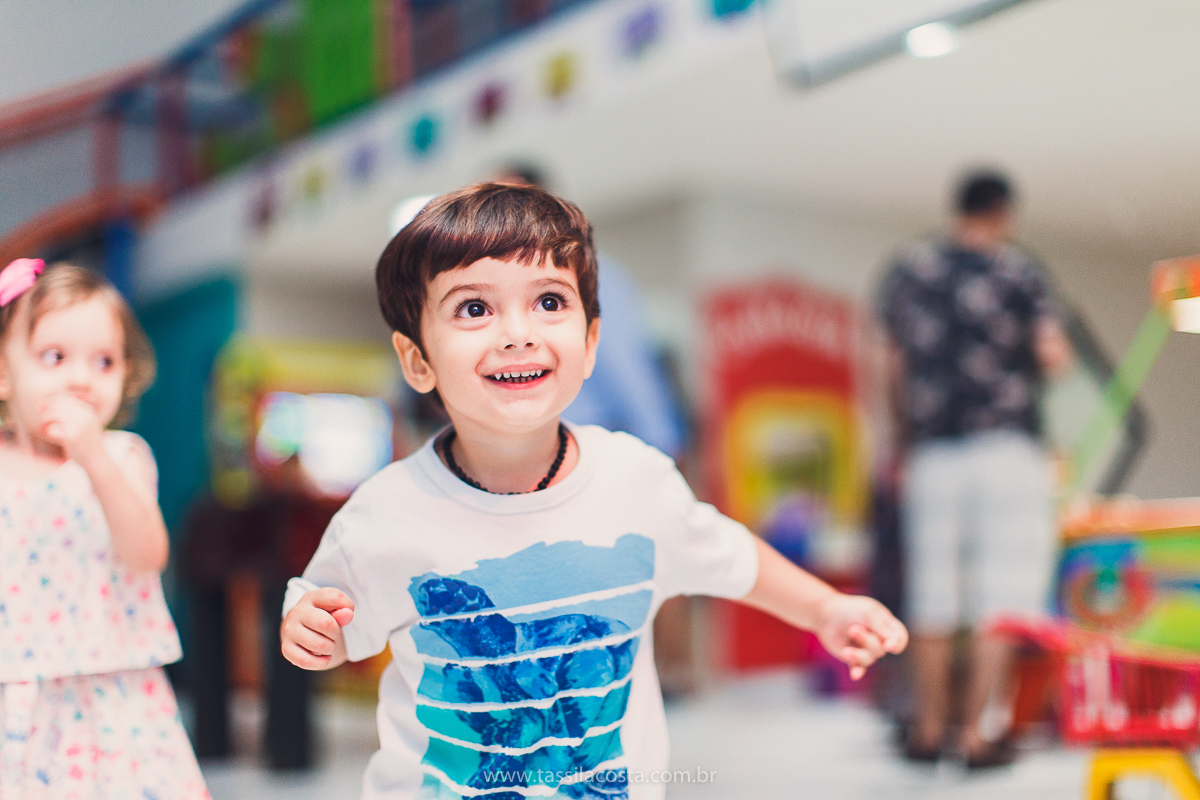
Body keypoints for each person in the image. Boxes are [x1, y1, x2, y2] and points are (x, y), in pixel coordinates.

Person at [280, 183, 908, 800]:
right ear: (417, 361)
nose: (517, 332)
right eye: (474, 309)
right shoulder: (386, 512)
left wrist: (827, 609)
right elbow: (328, 619)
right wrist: (313, 632)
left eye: (549, 302)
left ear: (589, 343)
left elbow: (733, 558)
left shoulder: (635, 479)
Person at [878, 171, 1071, 767]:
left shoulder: (910, 268)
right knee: (1003, 593)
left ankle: (930, 729)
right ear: (1003, 212)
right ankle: (975, 735)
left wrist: (903, 444)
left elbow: (889, 364)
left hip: (933, 450)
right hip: (1005, 448)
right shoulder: (1017, 269)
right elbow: (1053, 356)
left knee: (931, 593)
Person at [0, 260, 209, 799]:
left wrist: (91, 455)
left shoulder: (123, 455)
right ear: (3, 372)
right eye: (54, 357)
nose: (80, 378)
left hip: (115, 695)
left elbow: (147, 553)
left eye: (104, 361)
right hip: (17, 693)